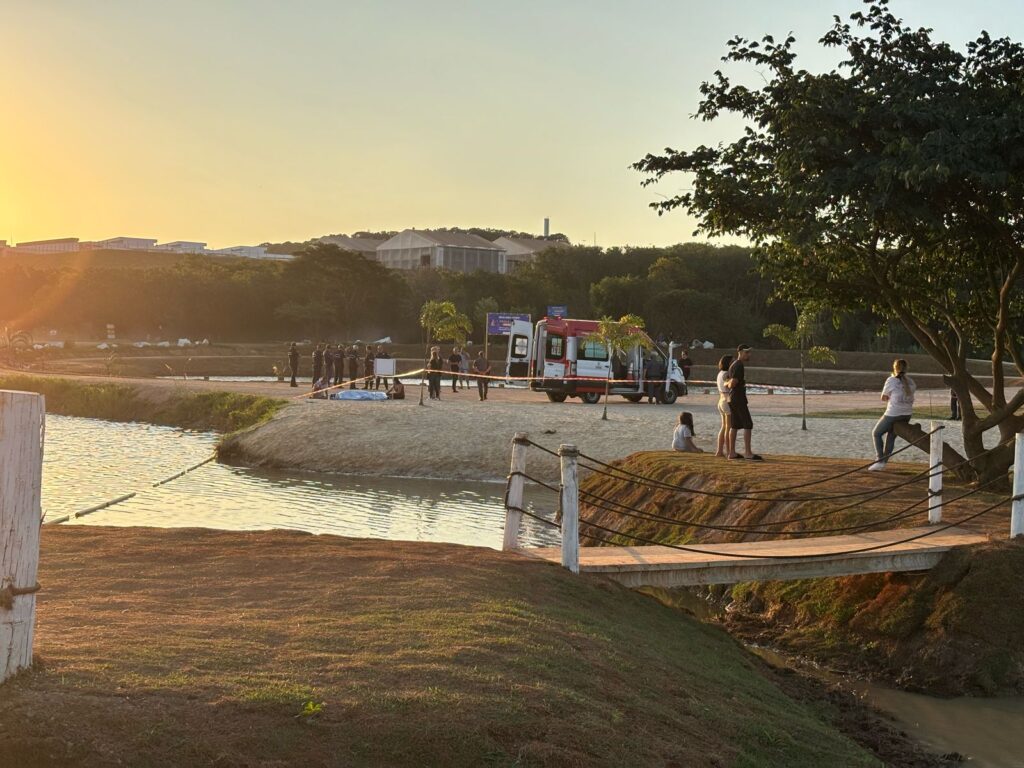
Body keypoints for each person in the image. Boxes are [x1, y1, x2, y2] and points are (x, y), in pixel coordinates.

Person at [870, 359, 917, 471]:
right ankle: (883, 462)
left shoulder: (891, 380)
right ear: (906, 369)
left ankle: (879, 460)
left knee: (876, 433)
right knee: (891, 436)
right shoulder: (911, 382)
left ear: (894, 368)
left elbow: (883, 398)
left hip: (893, 413)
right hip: (907, 414)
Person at [727, 344, 762, 460]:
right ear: (740, 352)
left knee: (734, 425)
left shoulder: (732, 365)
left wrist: (730, 384)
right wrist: (732, 383)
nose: (749, 355)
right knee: (748, 424)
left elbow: (726, 382)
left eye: (749, 352)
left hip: (731, 397)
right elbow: (732, 382)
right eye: (747, 352)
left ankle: (731, 453)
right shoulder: (739, 365)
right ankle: (748, 452)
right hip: (738, 397)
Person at [714, 354, 733, 457]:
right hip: (726, 400)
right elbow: (727, 384)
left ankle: (719, 451)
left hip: (720, 400)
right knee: (728, 428)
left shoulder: (719, 373)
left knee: (723, 427)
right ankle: (729, 451)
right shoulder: (726, 374)